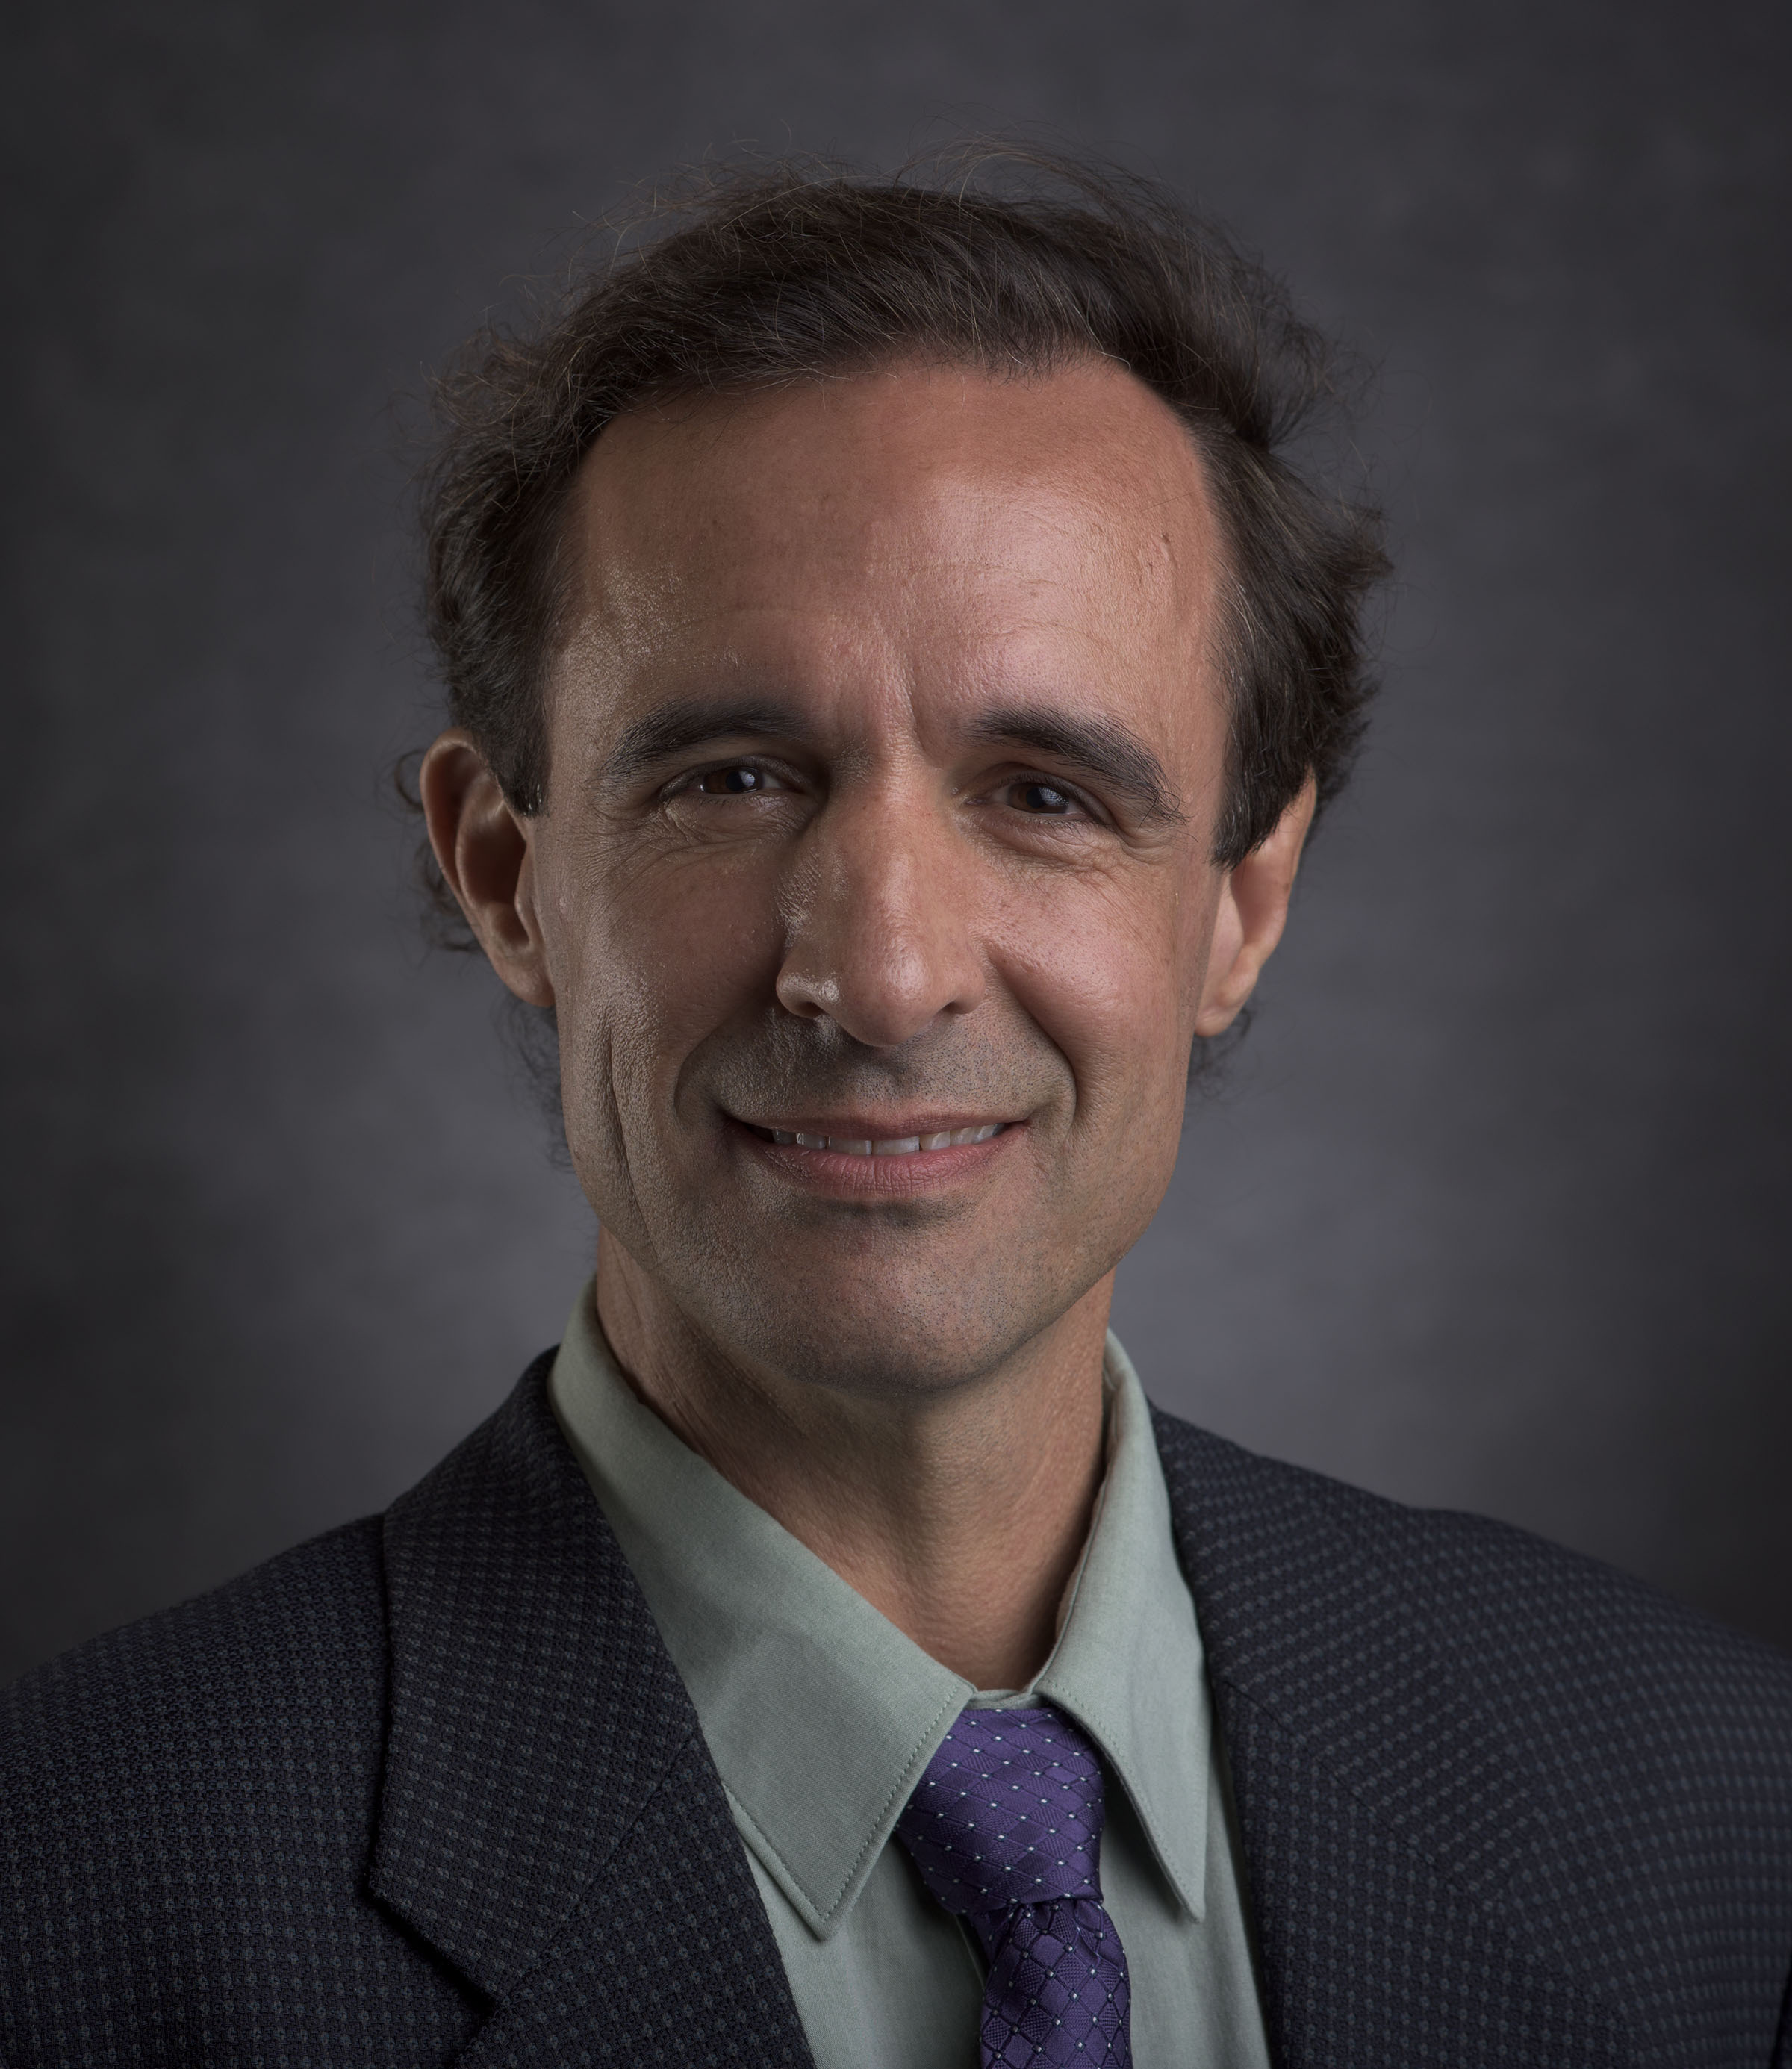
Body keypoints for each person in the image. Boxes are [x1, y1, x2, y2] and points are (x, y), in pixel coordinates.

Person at [2, 154, 1789, 2069]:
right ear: (508, 876)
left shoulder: (1710, 1816)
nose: (882, 972)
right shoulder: (68, 1906)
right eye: (733, 778)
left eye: (1045, 794)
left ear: (1240, 906)